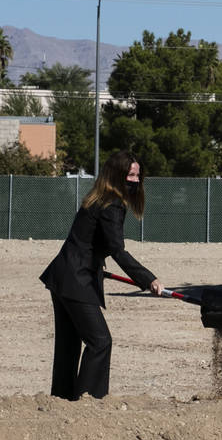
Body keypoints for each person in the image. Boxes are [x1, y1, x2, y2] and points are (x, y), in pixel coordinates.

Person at [40, 150, 163, 400]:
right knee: (100, 341)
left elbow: (86, 240)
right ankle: (88, 400)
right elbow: (118, 249)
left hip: (63, 275)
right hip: (76, 279)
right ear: (117, 175)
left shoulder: (97, 198)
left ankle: (62, 399)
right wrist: (148, 279)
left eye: (138, 176)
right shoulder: (113, 204)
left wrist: (97, 263)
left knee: (69, 344)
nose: (136, 181)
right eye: (130, 175)